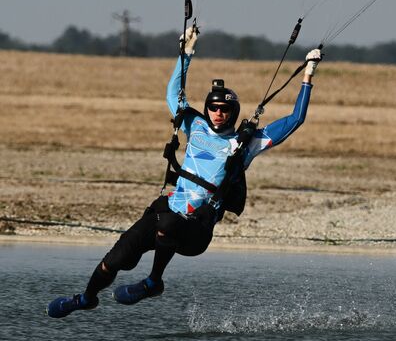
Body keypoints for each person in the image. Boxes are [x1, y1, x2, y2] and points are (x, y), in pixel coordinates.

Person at [46, 26, 322, 318]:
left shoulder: (245, 143)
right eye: (213, 108)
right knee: (117, 257)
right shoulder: (195, 126)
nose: (218, 113)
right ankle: (86, 298)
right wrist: (186, 54)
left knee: (168, 221)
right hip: (168, 212)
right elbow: (172, 94)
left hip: (196, 231)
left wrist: (308, 74)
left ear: (234, 112)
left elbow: (296, 119)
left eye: (224, 110)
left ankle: (154, 282)